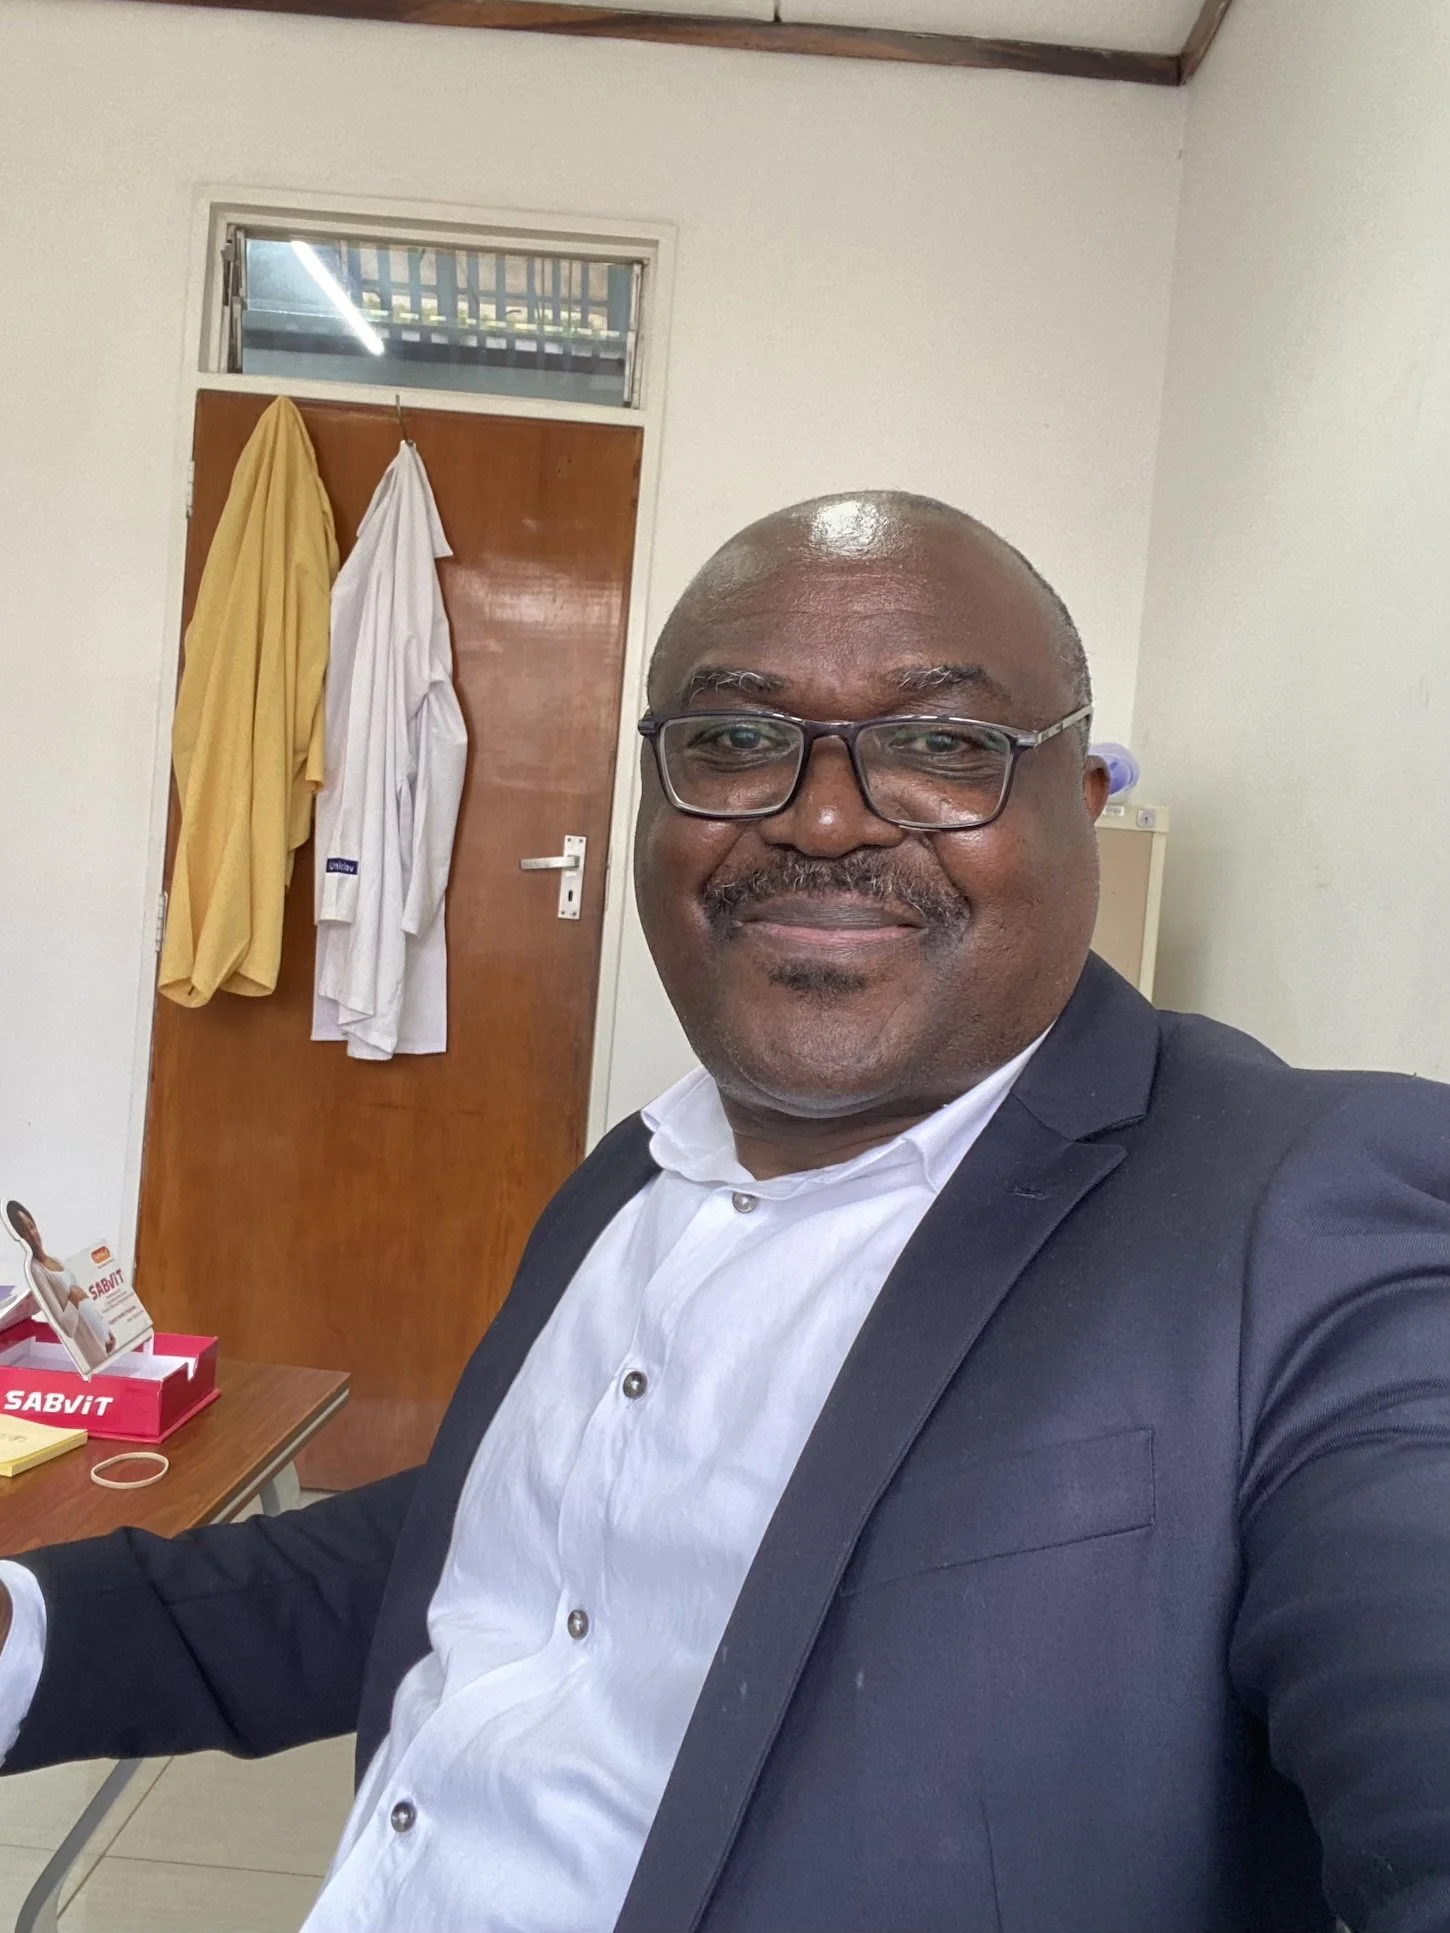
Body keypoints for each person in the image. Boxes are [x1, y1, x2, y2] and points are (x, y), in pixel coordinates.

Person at [1, 493, 1447, 1933]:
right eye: (735, 739)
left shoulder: (1303, 1211)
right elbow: (495, 1543)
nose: (821, 817)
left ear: (1075, 805)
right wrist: (25, 1637)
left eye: (941, 744)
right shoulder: (631, 1177)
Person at [2, 1202, 113, 1371]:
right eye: (25, 1232)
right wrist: (74, 1298)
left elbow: (86, 1302)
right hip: (87, 1343)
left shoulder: (56, 1261)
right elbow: (65, 1325)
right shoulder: (36, 1270)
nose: (32, 1234)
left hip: (100, 1337)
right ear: (20, 1238)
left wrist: (106, 1330)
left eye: (32, 1227)